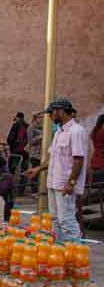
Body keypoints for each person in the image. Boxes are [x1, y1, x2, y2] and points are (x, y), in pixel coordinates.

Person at [24, 98, 88, 242]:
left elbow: (78, 159)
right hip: (53, 182)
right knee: (55, 220)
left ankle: (75, 254)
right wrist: (37, 169)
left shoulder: (76, 131)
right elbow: (52, 157)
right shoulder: (59, 132)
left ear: (60, 111)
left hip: (65, 184)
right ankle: (60, 251)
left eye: (51, 113)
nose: (50, 117)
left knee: (66, 220)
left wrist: (71, 183)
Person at [7, 112, 30, 194]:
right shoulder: (27, 126)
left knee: (11, 170)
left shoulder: (16, 125)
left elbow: (10, 138)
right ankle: (21, 190)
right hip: (25, 153)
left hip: (15, 152)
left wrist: (11, 146)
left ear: (17, 117)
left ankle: (10, 189)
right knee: (24, 171)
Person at [27, 113, 43, 193]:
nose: (42, 119)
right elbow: (30, 141)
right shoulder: (31, 128)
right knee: (35, 173)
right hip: (35, 154)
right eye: (40, 117)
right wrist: (40, 137)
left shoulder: (42, 128)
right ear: (36, 118)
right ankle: (34, 191)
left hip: (42, 154)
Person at [90, 115, 104, 183]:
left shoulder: (95, 130)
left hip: (95, 159)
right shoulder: (102, 132)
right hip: (102, 161)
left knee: (96, 184)